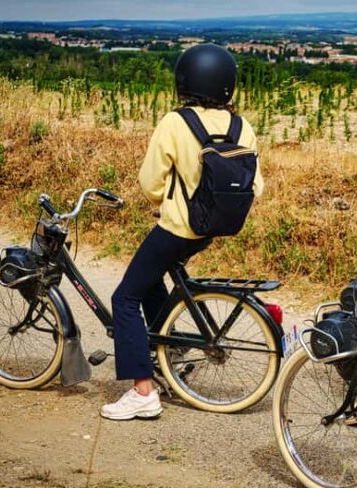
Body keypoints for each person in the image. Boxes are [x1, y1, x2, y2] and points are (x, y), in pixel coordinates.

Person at [100, 43, 264, 421]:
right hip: (212, 228)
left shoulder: (175, 123)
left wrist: (163, 200)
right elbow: (257, 185)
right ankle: (168, 349)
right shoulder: (242, 127)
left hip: (178, 226)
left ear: (185, 81)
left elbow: (149, 182)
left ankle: (142, 391)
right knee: (151, 280)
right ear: (227, 85)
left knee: (124, 298)